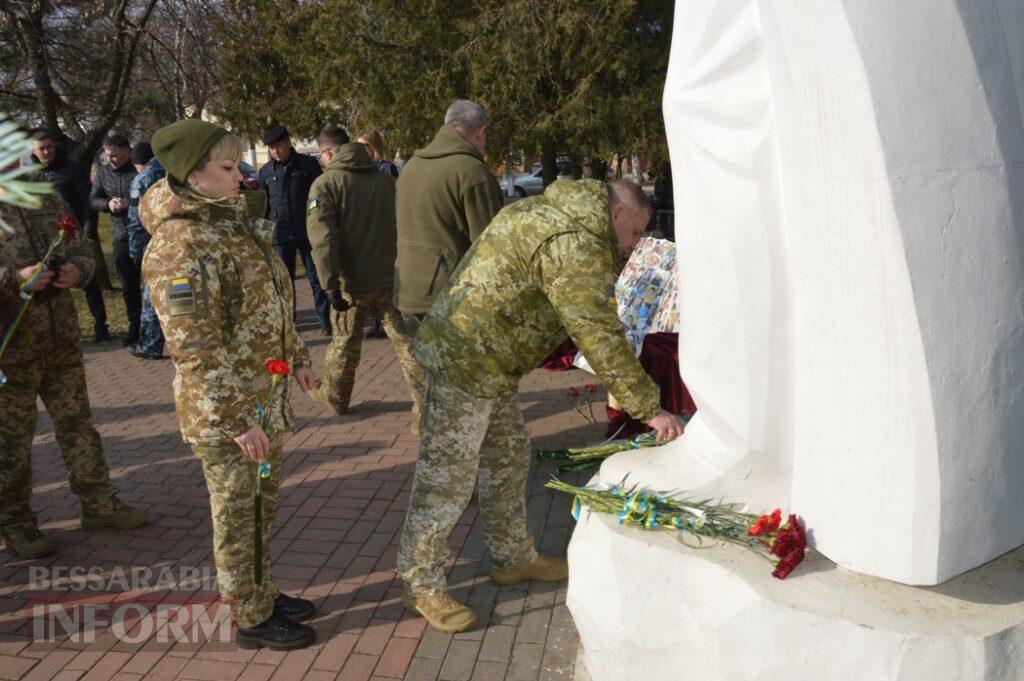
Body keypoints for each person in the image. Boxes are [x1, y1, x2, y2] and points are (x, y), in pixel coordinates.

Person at [397, 179, 685, 632]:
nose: (633, 246)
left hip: (491, 360)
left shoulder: (550, 211)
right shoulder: (574, 243)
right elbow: (597, 333)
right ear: (615, 214)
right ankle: (420, 583)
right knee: (446, 479)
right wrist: (649, 408)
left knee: (509, 459)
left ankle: (513, 559)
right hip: (465, 360)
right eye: (634, 232)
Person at [142, 119, 320, 650]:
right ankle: (249, 616)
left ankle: (260, 590)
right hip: (229, 415)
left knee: (260, 508)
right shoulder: (183, 245)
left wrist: (299, 355)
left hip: (261, 400)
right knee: (239, 515)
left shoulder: (228, 224)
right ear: (194, 177)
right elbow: (195, 349)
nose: (241, 176)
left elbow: (271, 303)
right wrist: (237, 419)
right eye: (227, 168)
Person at [0, 191, 150, 559]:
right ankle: (15, 524)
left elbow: (83, 248)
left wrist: (78, 271)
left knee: (78, 427)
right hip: (11, 350)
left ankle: (99, 505)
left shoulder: (48, 199)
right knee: (12, 444)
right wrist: (12, 278)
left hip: (61, 341)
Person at [305, 126, 425, 422]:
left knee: (344, 345)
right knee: (408, 346)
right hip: (390, 279)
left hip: (350, 284)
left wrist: (329, 285)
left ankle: (336, 396)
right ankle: (426, 407)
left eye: (321, 154)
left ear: (329, 153)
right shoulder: (385, 181)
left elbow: (323, 239)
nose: (321, 160)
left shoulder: (325, 184)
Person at [393, 99, 503, 336]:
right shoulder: (472, 172)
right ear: (480, 132)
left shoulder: (411, 166)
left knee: (428, 371)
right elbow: (490, 248)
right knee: (469, 372)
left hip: (408, 290)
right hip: (452, 299)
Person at [30, 129, 110, 342]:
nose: (47, 152)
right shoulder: (31, 175)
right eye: (42, 149)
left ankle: (101, 327)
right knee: (49, 284)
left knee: (88, 281)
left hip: (75, 235)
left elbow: (88, 202)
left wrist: (88, 231)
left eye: (49, 147)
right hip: (47, 241)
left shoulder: (71, 169)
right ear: (33, 151)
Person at [257, 125, 330, 335]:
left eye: (278, 146)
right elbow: (264, 206)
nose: (275, 151)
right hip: (280, 234)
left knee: (316, 278)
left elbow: (317, 197)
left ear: (288, 142)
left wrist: (315, 219)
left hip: (307, 231)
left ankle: (325, 321)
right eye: (271, 148)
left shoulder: (307, 165)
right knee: (284, 282)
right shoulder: (265, 172)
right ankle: (289, 323)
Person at [89, 134, 140, 348]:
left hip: (143, 234)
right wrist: (107, 204)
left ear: (128, 152)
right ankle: (134, 328)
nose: (112, 160)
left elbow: (146, 197)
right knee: (129, 286)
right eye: (108, 156)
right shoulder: (102, 173)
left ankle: (155, 327)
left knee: (152, 284)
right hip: (121, 236)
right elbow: (93, 198)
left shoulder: (137, 171)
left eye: (116, 156)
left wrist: (126, 203)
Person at [357, 130, 398, 339]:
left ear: (373, 147)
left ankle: (385, 324)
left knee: (385, 281)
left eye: (364, 146)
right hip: (366, 229)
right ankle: (375, 323)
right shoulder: (361, 170)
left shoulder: (387, 168)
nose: (361, 150)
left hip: (384, 227)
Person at [126, 142, 166, 359]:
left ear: (138, 163)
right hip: (178, 242)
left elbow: (135, 219)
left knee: (151, 296)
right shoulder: (175, 170)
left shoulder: (143, 179)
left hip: (153, 245)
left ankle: (150, 345)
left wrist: (135, 250)